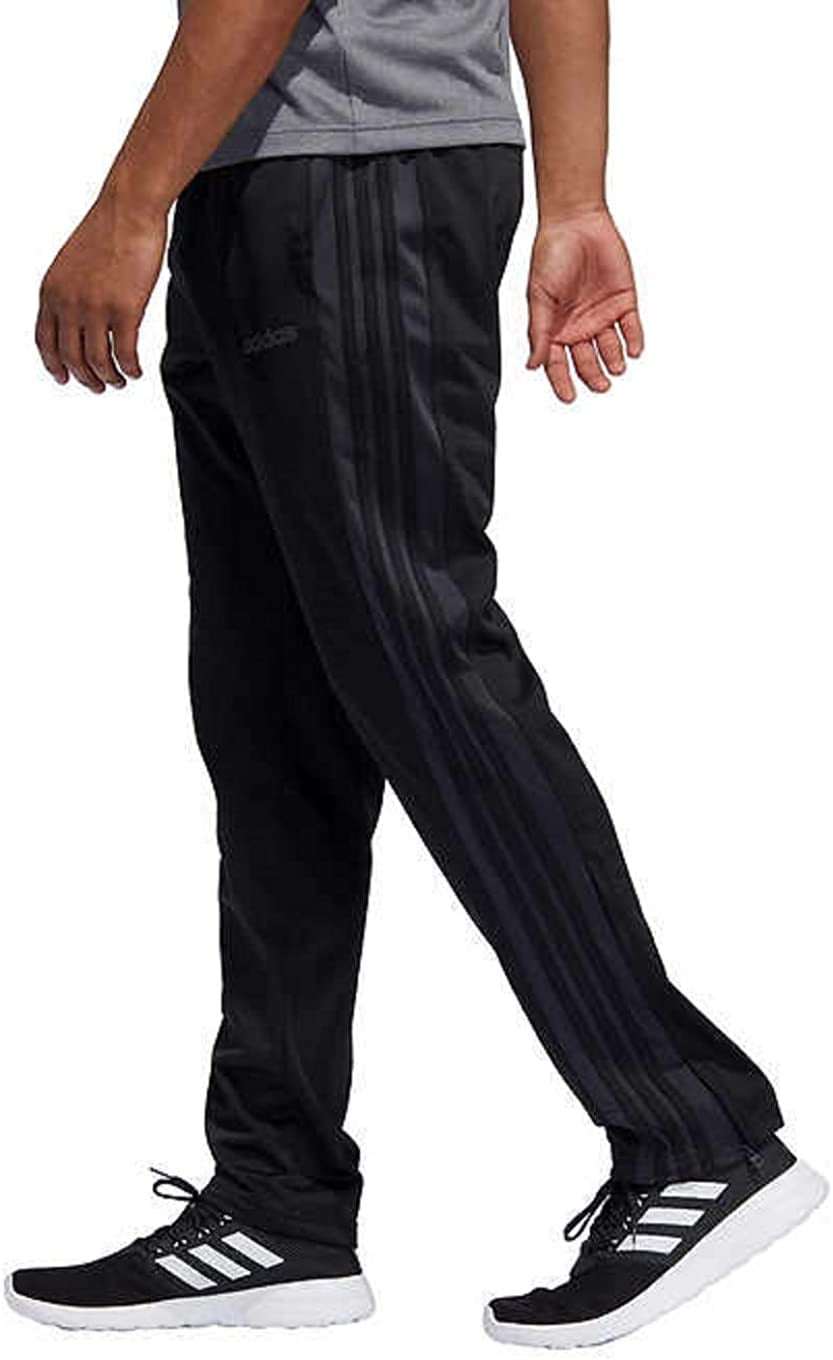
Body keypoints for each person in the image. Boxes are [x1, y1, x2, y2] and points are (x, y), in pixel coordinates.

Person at [5, 0, 825, 1345]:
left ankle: (697, 1129)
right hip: (278, 180)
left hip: (344, 182)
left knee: (424, 663)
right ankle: (277, 1196)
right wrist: (572, 195)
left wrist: (127, 203)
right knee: (273, 715)